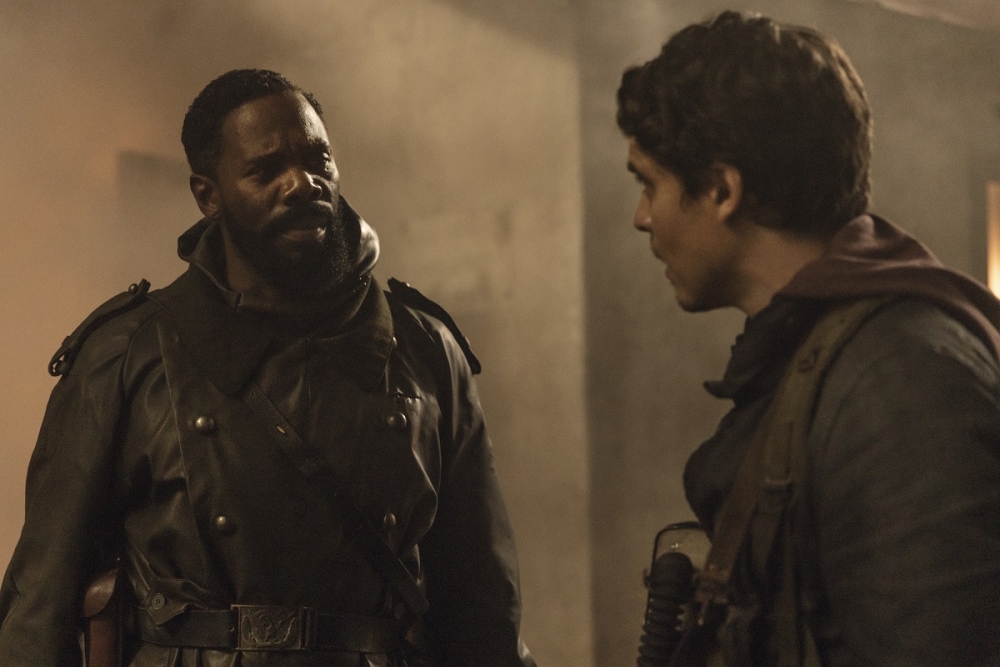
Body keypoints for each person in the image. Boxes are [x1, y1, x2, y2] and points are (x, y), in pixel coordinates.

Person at [0, 69, 534, 667]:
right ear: (208, 196)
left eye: (318, 159)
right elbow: (40, 606)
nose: (302, 183)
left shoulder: (423, 347)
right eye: (265, 169)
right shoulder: (126, 354)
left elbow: (483, 605)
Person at [619, 11, 1000, 667]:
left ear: (721, 190)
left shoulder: (900, 388)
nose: (641, 217)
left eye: (650, 185)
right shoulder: (835, 360)